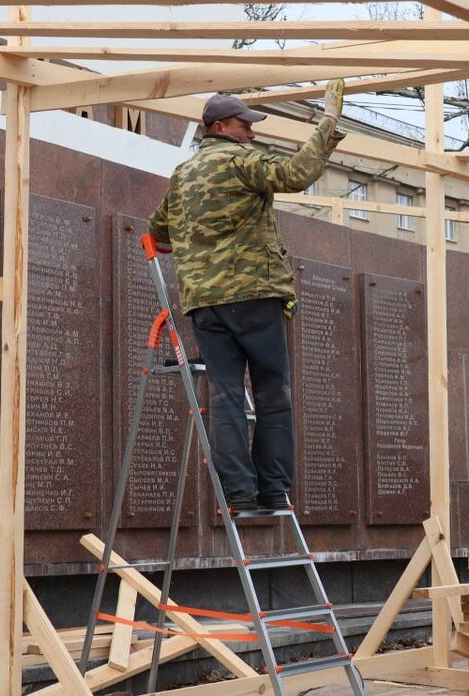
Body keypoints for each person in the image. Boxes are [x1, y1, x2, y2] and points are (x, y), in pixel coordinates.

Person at [147, 81, 346, 511]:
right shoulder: (241, 161)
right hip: (254, 295)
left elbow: (158, 230)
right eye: (245, 126)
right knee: (273, 393)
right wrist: (328, 124)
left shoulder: (183, 173)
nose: (251, 134)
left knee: (225, 396)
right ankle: (273, 490)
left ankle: (237, 492)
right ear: (220, 127)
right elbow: (296, 174)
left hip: (205, 303)